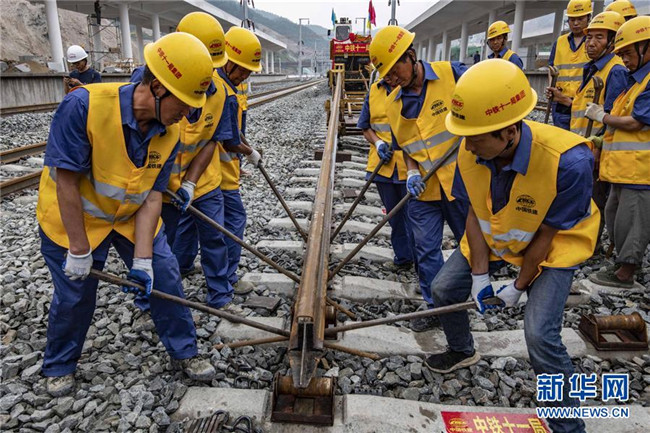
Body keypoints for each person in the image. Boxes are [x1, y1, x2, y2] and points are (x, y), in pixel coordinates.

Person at [36, 32, 217, 397]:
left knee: (165, 276)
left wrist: (145, 260)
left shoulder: (170, 130)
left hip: (130, 215)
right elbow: (66, 182)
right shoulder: (84, 106)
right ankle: (59, 365)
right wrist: (78, 249)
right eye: (184, 102)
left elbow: (152, 195)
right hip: (74, 219)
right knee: (75, 293)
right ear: (158, 87)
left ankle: (185, 351)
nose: (188, 113)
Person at [428, 59, 598, 433]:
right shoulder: (471, 148)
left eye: (476, 137)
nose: (467, 145)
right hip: (501, 232)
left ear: (509, 132)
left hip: (553, 246)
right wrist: (479, 277)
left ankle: (568, 426)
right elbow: (475, 213)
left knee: (539, 334)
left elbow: (546, 236)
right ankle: (462, 349)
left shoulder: (569, 161)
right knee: (443, 289)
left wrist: (519, 287)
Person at [369, 25, 469, 332]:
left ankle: (472, 292)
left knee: (470, 243)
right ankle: (435, 306)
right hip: (424, 189)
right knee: (425, 249)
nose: (391, 79)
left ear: (410, 56)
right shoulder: (393, 104)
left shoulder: (454, 75)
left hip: (462, 183)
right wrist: (411, 171)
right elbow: (407, 147)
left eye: (394, 70)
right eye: (385, 75)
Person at [155, 12, 237, 310]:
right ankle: (160, 294)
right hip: (161, 186)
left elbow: (213, 139)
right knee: (161, 242)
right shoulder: (154, 85)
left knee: (214, 237)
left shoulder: (221, 93)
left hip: (203, 182)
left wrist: (190, 182)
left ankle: (219, 292)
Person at [174, 27, 263, 295]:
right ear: (228, 61)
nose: (244, 76)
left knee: (190, 221)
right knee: (232, 221)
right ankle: (227, 276)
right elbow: (226, 139)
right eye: (243, 70)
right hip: (219, 174)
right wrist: (249, 152)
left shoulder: (218, 85)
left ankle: (181, 265)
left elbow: (228, 131)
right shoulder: (223, 92)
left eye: (248, 73)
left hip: (196, 173)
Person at [587, 16, 650, 288]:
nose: (624, 59)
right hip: (623, 169)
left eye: (628, 53)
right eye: (621, 53)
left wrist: (602, 117)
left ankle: (626, 272)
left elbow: (636, 122)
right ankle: (622, 262)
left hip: (640, 170)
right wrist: (602, 141)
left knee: (633, 221)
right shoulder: (636, 81)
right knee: (616, 217)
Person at [357, 68, 414, 272]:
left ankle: (422, 262)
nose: (390, 77)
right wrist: (378, 143)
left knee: (415, 216)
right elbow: (365, 126)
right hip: (383, 167)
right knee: (394, 216)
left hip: (410, 167)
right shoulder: (374, 90)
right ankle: (404, 258)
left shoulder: (411, 88)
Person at [547, 0, 592, 130]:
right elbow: (551, 68)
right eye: (572, 20)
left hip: (583, 102)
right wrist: (551, 88)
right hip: (560, 103)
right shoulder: (560, 42)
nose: (576, 23)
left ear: (589, 18)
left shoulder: (593, 42)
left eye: (580, 19)